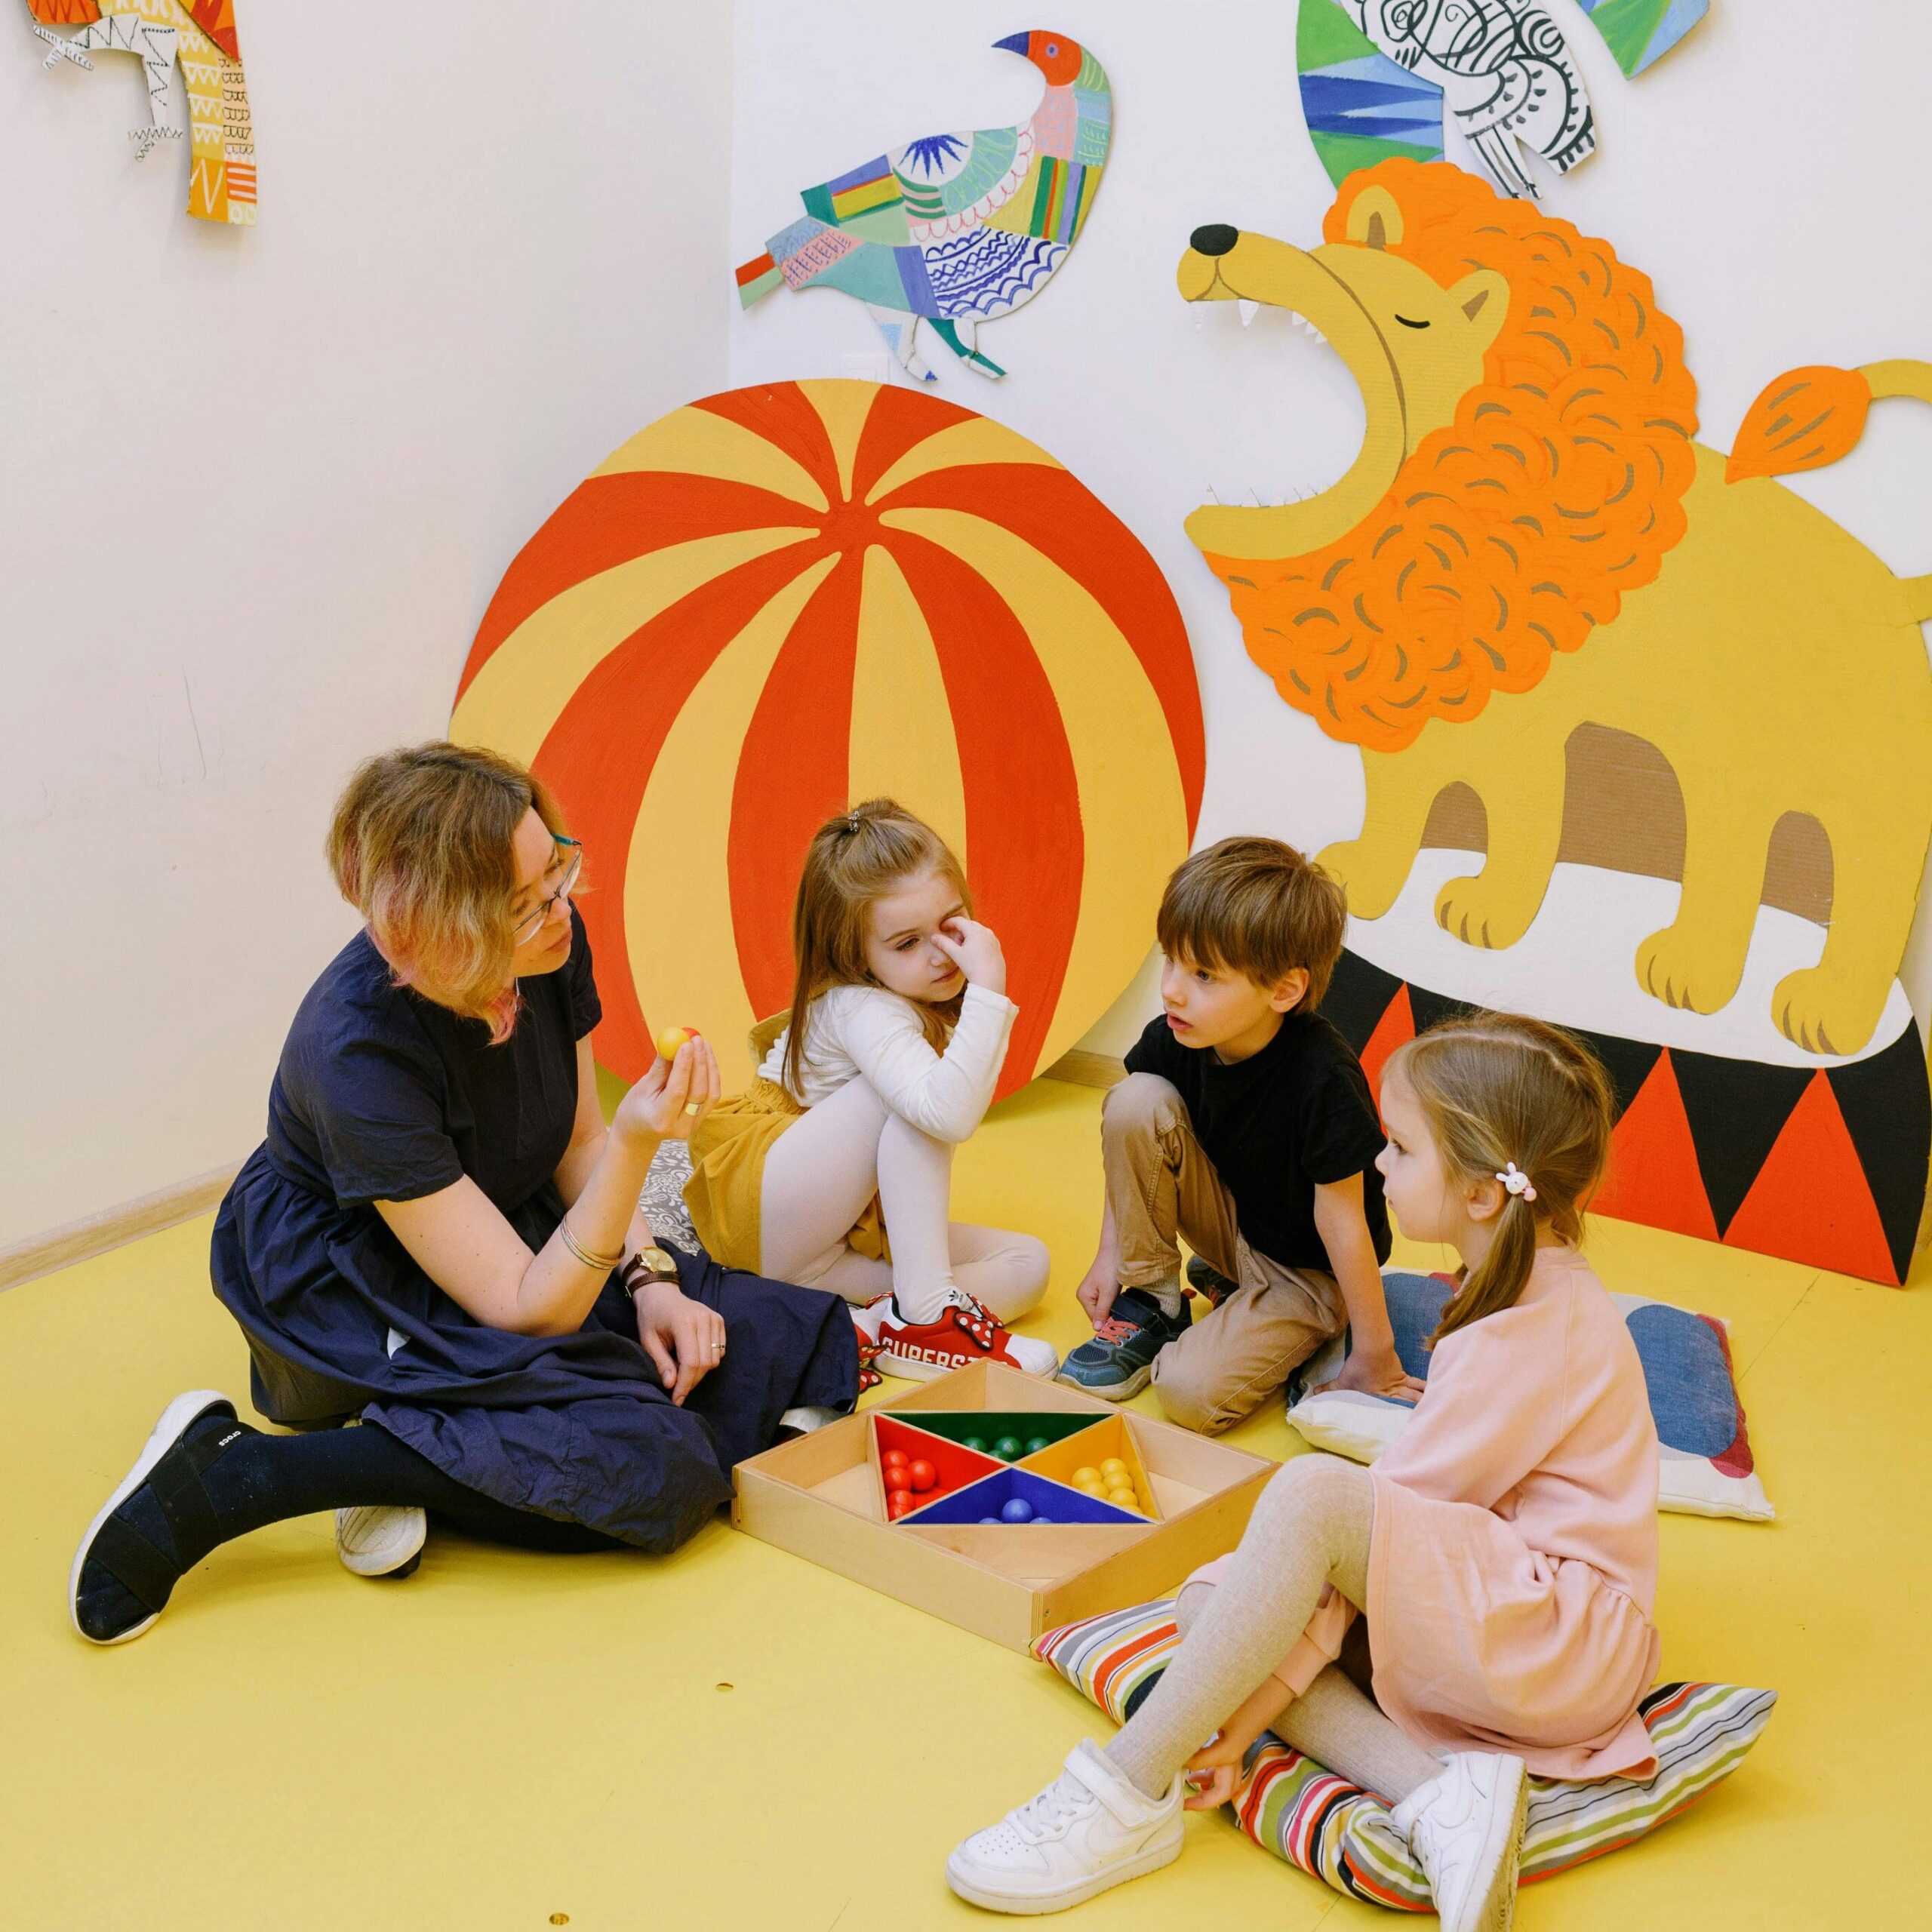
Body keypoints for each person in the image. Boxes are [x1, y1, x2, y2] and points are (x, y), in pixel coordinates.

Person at [69, 743, 857, 1646]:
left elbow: (575, 1140)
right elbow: (529, 1308)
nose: (562, 912)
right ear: (438, 935)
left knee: (784, 1338)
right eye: (526, 907)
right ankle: (233, 1477)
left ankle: (408, 1452)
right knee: (653, 1463)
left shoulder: (553, 939)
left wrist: (655, 1284)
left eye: (559, 872)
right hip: (350, 1275)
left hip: (497, 1216)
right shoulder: (353, 1050)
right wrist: (643, 1142)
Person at [947, 1014, 1663, 1930]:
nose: (1378, 1164)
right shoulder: (1519, 1287)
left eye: (1400, 1149)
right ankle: (1435, 1793)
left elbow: (1391, 1512)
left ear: (1484, 1193)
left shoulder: (1527, 1336)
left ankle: (1127, 1787)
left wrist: (1253, 1708)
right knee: (1220, 1611)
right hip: (1509, 1619)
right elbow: (1402, 1540)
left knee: (1313, 1495)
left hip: (1562, 1646)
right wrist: (1247, 1702)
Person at [685, 798, 1055, 1383]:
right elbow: (947, 1115)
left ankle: (884, 1323)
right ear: (854, 954)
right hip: (767, 1206)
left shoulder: (905, 997)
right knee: (912, 1103)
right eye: (906, 943)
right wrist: (989, 987)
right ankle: (926, 1315)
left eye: (950, 925)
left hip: (814, 1252)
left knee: (1027, 1263)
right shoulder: (862, 1007)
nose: (939, 954)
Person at [1058, 837, 1417, 1429]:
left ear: (1284, 990)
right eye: (1171, 959)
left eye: (1204, 974)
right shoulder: (1178, 1032)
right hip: (1234, 1226)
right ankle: (1157, 1302)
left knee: (1187, 1394)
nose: (1173, 988)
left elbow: (1343, 1221)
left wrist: (1375, 1353)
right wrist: (1111, 1258)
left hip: (1307, 1271)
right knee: (1135, 1099)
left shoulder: (1322, 1076)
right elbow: (1134, 1150)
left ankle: (1255, 1303)